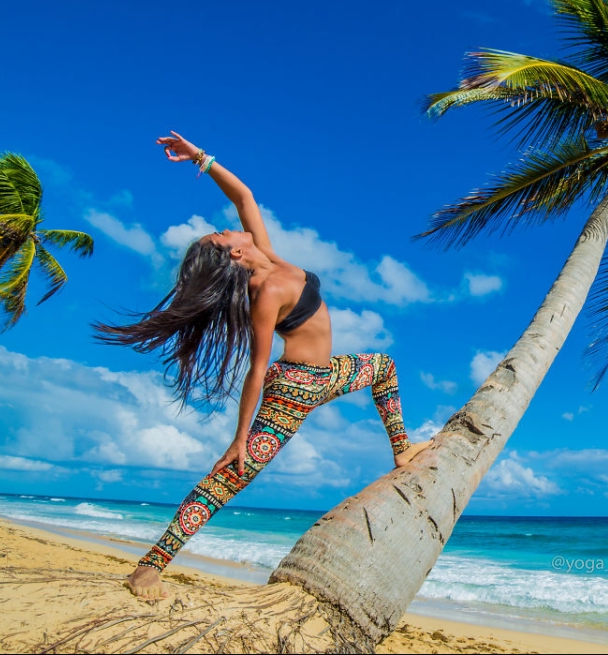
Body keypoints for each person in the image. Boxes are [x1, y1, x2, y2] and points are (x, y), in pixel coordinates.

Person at [95, 131, 431, 599]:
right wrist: (239, 439)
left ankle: (401, 448)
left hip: (327, 373)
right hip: (292, 389)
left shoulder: (270, 261)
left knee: (384, 366)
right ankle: (149, 567)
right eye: (223, 232)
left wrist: (201, 157)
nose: (229, 227)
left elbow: (244, 195)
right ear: (234, 252)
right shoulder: (267, 291)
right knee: (230, 477)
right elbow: (256, 368)